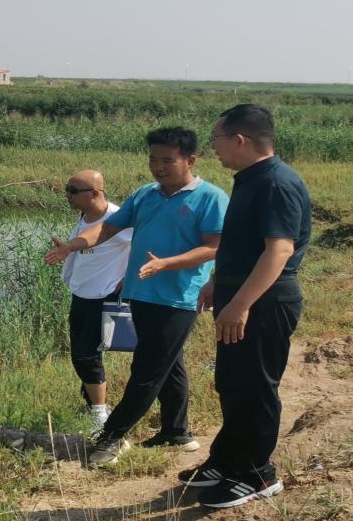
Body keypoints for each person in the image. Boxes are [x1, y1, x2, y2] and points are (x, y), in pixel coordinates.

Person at [45, 128, 228, 466]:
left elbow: (214, 246)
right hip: (140, 293)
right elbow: (107, 228)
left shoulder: (210, 198)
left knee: (148, 369)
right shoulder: (146, 194)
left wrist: (166, 264)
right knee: (169, 363)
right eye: (153, 159)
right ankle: (176, 431)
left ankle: (111, 437)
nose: (158, 167)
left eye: (167, 161)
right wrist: (73, 245)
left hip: (178, 297)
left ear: (190, 160)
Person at [179, 104, 311, 508]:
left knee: (255, 388)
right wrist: (217, 283)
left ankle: (257, 474)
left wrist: (240, 303)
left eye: (216, 139)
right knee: (232, 383)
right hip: (240, 295)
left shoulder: (275, 183)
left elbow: (279, 251)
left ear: (239, 140)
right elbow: (240, 243)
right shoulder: (250, 179)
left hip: (263, 301)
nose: (213, 147)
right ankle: (228, 460)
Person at [56, 170, 132, 431]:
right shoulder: (85, 215)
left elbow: (145, 247)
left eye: (73, 191)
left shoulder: (117, 219)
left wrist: (127, 279)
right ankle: (92, 403)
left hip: (103, 295)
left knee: (87, 355)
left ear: (95, 193)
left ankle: (100, 415)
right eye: (67, 189)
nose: (68, 195)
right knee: (78, 354)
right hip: (81, 293)